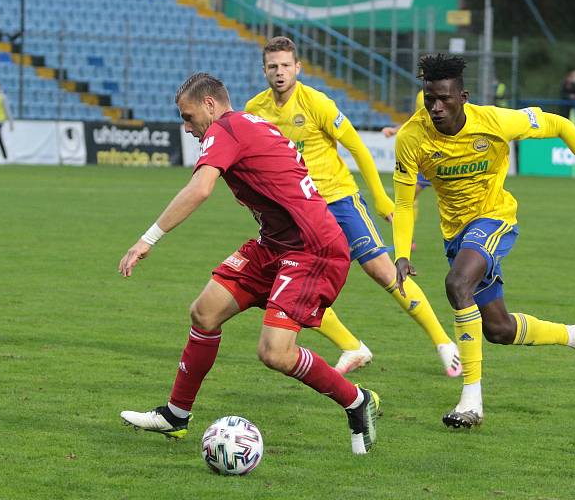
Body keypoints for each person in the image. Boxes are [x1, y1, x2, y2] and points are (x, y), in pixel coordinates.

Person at [118, 73, 379, 454]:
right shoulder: (248, 123)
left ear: (210, 104)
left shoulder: (225, 129)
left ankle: (357, 401)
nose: (186, 127)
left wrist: (147, 239)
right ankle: (176, 415)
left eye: (188, 117)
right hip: (274, 243)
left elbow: (200, 188)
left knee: (275, 353)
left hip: (311, 249)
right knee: (205, 313)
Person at [393, 54, 575, 429]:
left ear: (463, 96)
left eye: (445, 99)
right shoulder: (411, 137)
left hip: (494, 218)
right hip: (456, 233)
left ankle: (471, 401)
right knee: (498, 329)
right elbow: (404, 203)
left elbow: (561, 124)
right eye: (429, 99)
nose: (436, 107)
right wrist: (402, 254)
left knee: (457, 284)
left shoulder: (496, 121)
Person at [246, 37, 461, 378]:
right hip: (300, 212)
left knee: (382, 271)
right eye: (273, 66)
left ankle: (443, 342)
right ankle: (352, 346)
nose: (279, 72)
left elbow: (357, 147)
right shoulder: (255, 111)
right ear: (264, 71)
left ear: (297, 68)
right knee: (294, 284)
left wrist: (378, 197)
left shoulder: (316, 102)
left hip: (340, 200)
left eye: (286, 65)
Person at [381, 90, 431, 253]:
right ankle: (408, 240)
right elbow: (417, 121)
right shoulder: (420, 95)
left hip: (445, 152)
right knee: (408, 196)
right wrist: (396, 131)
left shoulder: (448, 90)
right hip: (425, 154)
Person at [559, 69, 575, 133]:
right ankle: (564, 131)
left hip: (574, 105)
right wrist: (569, 96)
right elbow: (562, 93)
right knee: (564, 117)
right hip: (565, 105)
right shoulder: (565, 83)